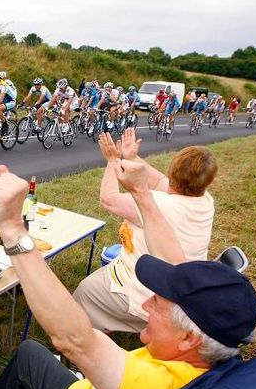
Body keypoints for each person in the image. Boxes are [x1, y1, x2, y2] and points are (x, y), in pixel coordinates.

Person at [0, 159, 256, 389]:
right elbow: (172, 257)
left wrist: (11, 228)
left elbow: (74, 339)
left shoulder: (156, 388)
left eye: (158, 304)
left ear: (189, 338)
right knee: (29, 352)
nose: (147, 303)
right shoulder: (205, 352)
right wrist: (142, 193)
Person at [73, 129, 216, 333]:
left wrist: (113, 161)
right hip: (179, 289)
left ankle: (85, 343)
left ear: (173, 171)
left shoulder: (159, 204)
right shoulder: (205, 200)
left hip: (148, 294)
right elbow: (158, 182)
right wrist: (131, 157)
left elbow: (109, 199)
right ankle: (108, 321)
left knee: (84, 293)